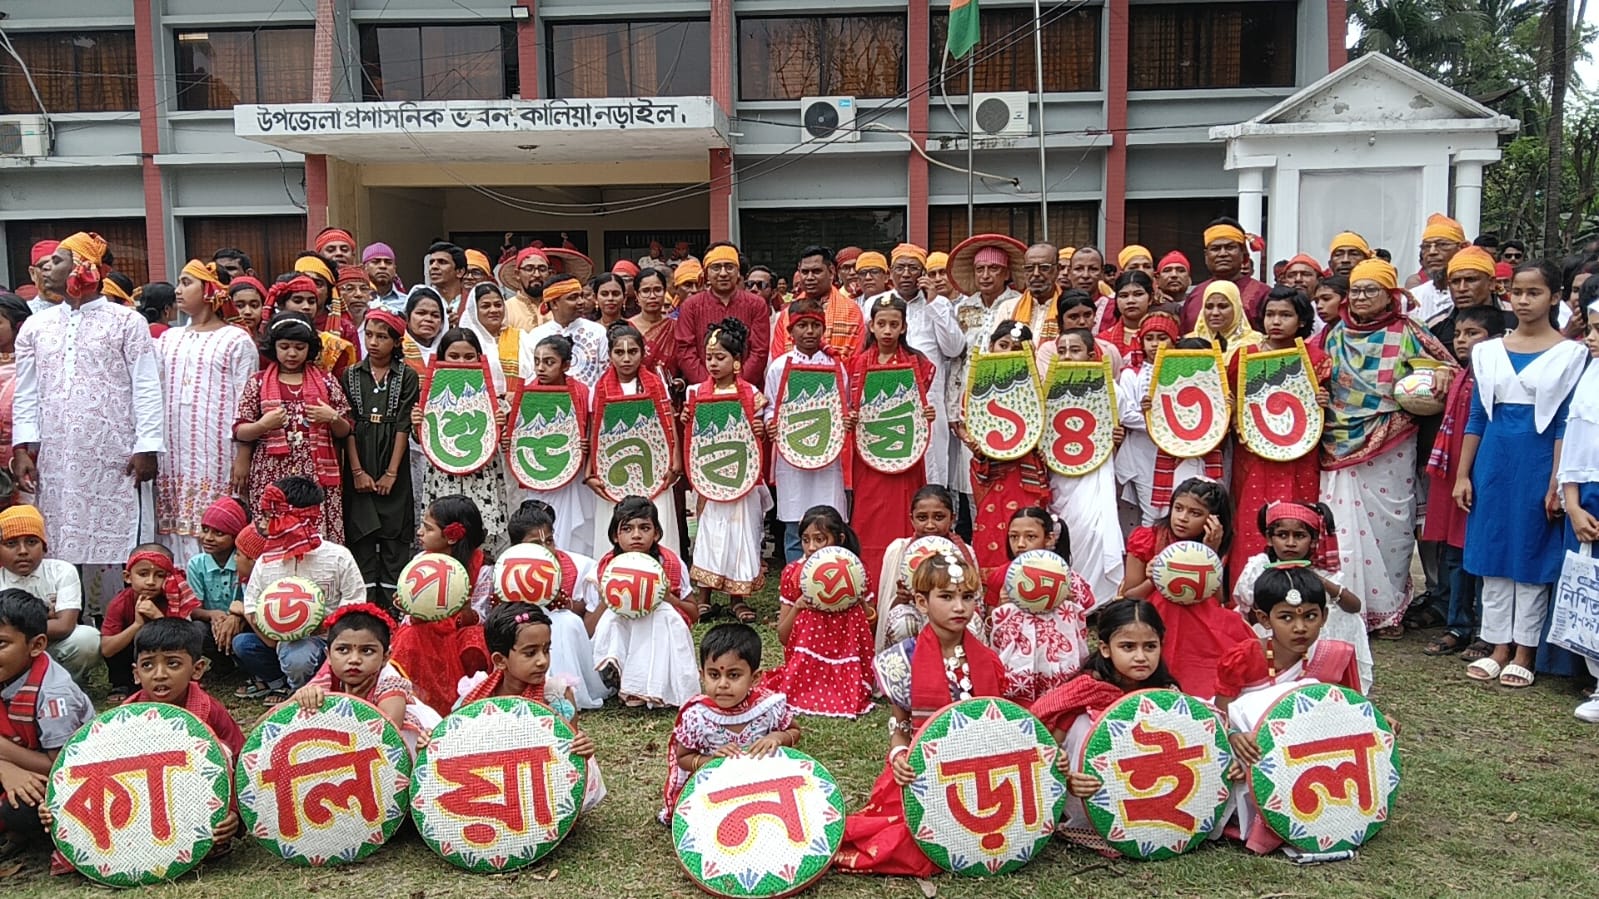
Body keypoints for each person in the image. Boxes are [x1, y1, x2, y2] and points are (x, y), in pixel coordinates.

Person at [12, 232, 164, 610]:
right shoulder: (35, 327)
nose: (48, 267)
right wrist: (22, 446)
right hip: (57, 455)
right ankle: (67, 618)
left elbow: (147, 385)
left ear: (84, 268)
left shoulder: (126, 322)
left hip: (115, 452)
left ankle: (117, 622)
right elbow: (27, 392)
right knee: (61, 533)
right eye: (47, 263)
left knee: (117, 534)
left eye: (59, 260)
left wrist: (147, 446)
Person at [834, 552, 1007, 877]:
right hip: (921, 769)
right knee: (905, 839)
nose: (959, 607)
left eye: (967, 597)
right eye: (946, 597)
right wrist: (899, 755)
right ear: (921, 602)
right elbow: (899, 724)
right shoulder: (900, 661)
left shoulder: (987, 660)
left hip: (981, 770)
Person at [1456, 261, 1586, 689]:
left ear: (1554, 297)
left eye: (1535, 292)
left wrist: (1556, 480)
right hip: (1494, 458)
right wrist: (1463, 474)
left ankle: (1526, 648)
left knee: (1531, 549)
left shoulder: (1572, 354)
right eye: (1517, 291)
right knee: (1493, 549)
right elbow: (1476, 416)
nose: (1524, 300)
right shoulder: (1487, 351)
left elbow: (1566, 422)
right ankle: (1496, 644)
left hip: (1539, 459)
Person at [1321, 258, 1457, 638]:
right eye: (1356, 291)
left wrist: (1435, 380)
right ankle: (1346, 609)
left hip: (1393, 438)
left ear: (1391, 296)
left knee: (1392, 526)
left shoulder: (1409, 330)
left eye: (1371, 290)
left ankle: (1385, 611)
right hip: (1338, 439)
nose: (1361, 298)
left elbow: (1449, 370)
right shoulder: (1333, 334)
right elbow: (1312, 370)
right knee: (1340, 524)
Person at [1216, 565, 1364, 857]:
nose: (1300, 627)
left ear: (1323, 616)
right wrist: (1233, 736)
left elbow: (1350, 715)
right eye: (1286, 617)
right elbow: (1220, 714)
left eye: (1310, 616)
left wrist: (1380, 722)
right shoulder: (1243, 657)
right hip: (1250, 749)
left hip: (1309, 755)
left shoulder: (1334, 657)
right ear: (1263, 619)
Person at [1032, 598, 1178, 856]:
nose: (1141, 657)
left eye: (1150, 646)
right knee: (1083, 725)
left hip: (1151, 798)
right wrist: (1067, 779)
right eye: (1128, 646)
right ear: (1105, 648)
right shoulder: (1083, 693)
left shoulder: (1167, 695)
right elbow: (1046, 753)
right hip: (1087, 798)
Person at [457, 602, 605, 809]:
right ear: (500, 660)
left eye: (546, 650)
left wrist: (581, 748)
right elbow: (455, 744)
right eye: (530, 653)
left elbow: (567, 750)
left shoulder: (557, 695)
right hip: (491, 776)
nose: (542, 661)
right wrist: (431, 742)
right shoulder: (477, 696)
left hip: (542, 779)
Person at [157, 260, 257, 561]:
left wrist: (243, 453)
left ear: (210, 290)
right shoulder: (168, 339)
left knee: (218, 522)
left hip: (218, 452)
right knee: (174, 525)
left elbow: (247, 401)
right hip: (173, 453)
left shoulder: (236, 340)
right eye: (179, 282)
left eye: (187, 282)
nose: (178, 290)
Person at [233, 477, 366, 700]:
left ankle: (303, 691)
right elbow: (252, 604)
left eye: (269, 517)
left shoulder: (337, 556)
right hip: (277, 639)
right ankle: (281, 683)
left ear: (292, 519)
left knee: (299, 657)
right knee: (244, 644)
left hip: (326, 639)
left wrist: (318, 627)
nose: (263, 524)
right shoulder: (267, 560)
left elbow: (354, 600)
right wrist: (271, 636)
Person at [1421, 305, 1504, 660]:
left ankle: (1488, 632)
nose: (1462, 341)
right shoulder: (1457, 376)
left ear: (1496, 339)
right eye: (1458, 334)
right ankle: (1458, 625)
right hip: (1455, 473)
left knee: (1481, 556)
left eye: (1473, 334)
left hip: (1483, 475)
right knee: (1454, 555)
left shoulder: (1498, 376)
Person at [1121, 477, 1251, 699]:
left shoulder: (1214, 542)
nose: (1182, 518)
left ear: (1213, 521)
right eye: (1178, 508)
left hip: (1201, 619)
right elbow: (1129, 595)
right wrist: (1153, 579)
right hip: (1154, 616)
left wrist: (1211, 553)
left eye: (1195, 513)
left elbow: (1217, 599)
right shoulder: (1148, 538)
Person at [1228, 286, 1328, 573]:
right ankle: (1248, 592)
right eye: (1270, 314)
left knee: (1299, 517)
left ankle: (1299, 590)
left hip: (1301, 454)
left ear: (1301, 320)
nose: (1276, 321)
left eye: (1285, 315)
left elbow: (1325, 408)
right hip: (1254, 454)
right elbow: (1232, 401)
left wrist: (1324, 400)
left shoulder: (1317, 359)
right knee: (1251, 519)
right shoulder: (1243, 357)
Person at [660, 622, 799, 821]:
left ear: (755, 678)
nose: (723, 684)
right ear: (702, 675)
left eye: (734, 675)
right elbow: (683, 757)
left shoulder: (768, 707)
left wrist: (778, 737)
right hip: (715, 788)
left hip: (764, 783)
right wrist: (711, 762)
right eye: (714, 675)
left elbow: (794, 731)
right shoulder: (697, 716)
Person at [234, 313, 352, 542]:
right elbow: (240, 430)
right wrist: (263, 425)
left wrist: (332, 417)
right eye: (284, 346)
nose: (291, 353)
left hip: (315, 473)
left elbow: (346, 430)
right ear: (273, 347)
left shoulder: (326, 381)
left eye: (299, 347)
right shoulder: (258, 382)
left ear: (310, 348)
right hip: (270, 470)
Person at [1231, 501, 1371, 691]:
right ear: (1269, 539)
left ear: (1313, 540)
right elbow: (1249, 612)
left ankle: (1324, 671)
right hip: (1270, 633)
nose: (1290, 543)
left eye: (1299, 536)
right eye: (1282, 535)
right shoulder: (1259, 566)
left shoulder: (1321, 569)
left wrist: (1319, 582)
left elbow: (1354, 606)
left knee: (1347, 617)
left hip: (1313, 634)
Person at [847, 295, 939, 585]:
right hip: (868, 454)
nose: (887, 330)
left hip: (905, 452)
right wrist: (850, 417)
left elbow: (916, 405)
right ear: (871, 326)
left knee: (904, 512)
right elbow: (849, 405)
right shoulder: (856, 364)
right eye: (881, 324)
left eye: (894, 324)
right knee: (868, 517)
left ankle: (908, 578)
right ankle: (870, 582)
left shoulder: (918, 363)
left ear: (904, 327)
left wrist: (925, 411)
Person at [687, 318, 772, 623]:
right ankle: (706, 595)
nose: (713, 363)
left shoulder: (753, 395)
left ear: (736, 361)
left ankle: (738, 598)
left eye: (720, 357)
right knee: (710, 533)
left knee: (741, 533)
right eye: (709, 357)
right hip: (710, 474)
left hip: (742, 476)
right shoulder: (695, 393)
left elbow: (756, 435)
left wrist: (760, 428)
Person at [0, 590, 96, 855]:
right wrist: (4, 767)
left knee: (21, 808)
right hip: (15, 762)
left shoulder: (54, 694)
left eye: (1, 644)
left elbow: (61, 767)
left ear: (37, 645)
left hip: (68, 775)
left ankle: (26, 834)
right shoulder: (8, 671)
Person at [487, 499, 608, 709]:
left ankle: (568, 688)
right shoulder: (505, 567)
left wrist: (558, 601)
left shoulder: (573, 565)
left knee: (567, 622)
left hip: (554, 619)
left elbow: (573, 608)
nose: (545, 549)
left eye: (549, 541)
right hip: (518, 621)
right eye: (536, 544)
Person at [961, 321, 1053, 575]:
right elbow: (968, 425)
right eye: (1003, 345)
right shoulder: (976, 385)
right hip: (991, 471)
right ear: (991, 346)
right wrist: (975, 444)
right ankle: (992, 598)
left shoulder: (1037, 387)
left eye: (1017, 347)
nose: (1009, 351)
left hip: (1027, 473)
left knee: (1028, 528)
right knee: (990, 531)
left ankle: (1031, 585)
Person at [391, 494, 495, 715]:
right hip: (424, 631)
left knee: (474, 640)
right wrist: (407, 606)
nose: (420, 533)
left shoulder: (482, 568)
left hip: (458, 633)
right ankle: (410, 700)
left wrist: (465, 612)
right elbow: (410, 615)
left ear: (452, 536)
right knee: (410, 636)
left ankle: (468, 697)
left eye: (428, 529)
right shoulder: (419, 562)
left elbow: (483, 615)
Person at [590, 496, 698, 708]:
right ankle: (617, 679)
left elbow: (694, 614)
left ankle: (657, 687)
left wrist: (670, 598)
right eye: (627, 529)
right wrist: (605, 601)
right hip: (623, 631)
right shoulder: (605, 568)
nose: (636, 535)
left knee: (663, 613)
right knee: (613, 615)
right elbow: (590, 627)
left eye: (644, 528)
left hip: (659, 628)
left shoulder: (670, 564)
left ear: (656, 532)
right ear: (615, 535)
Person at [342, 309, 419, 606]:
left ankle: (394, 609)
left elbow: (403, 423)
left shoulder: (407, 375)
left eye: (382, 337)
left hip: (392, 461)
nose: (374, 342)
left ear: (396, 341)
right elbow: (347, 423)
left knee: (394, 535)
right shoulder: (350, 374)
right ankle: (364, 607)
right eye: (369, 335)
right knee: (361, 535)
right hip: (359, 455)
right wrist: (357, 471)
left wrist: (391, 472)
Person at [769, 506, 875, 718]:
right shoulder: (793, 573)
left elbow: (871, 624)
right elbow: (783, 636)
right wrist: (798, 607)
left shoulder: (855, 572)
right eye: (806, 540)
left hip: (849, 658)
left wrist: (859, 600)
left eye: (820, 539)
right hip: (806, 664)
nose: (811, 547)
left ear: (840, 539)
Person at [585, 323, 682, 556]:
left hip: (655, 470)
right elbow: (594, 433)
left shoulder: (657, 385)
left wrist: (676, 462)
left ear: (642, 353)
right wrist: (590, 472)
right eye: (619, 352)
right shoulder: (598, 389)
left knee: (657, 522)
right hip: (612, 474)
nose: (626, 358)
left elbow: (668, 426)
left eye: (632, 352)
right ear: (609, 355)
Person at [411, 329, 511, 555]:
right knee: (443, 530)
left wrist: (500, 424)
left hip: (482, 474)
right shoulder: (430, 394)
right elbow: (424, 439)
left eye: (468, 356)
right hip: (443, 473)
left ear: (479, 357)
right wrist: (417, 424)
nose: (461, 362)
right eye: (453, 356)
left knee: (482, 536)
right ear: (442, 357)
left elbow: (502, 441)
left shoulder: (494, 395)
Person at [765, 298, 850, 562]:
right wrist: (772, 424)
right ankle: (795, 578)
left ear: (823, 329)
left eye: (815, 325)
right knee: (794, 524)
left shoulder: (835, 366)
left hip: (827, 455)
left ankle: (831, 571)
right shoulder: (779, 367)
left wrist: (846, 421)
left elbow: (843, 405)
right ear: (790, 332)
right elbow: (770, 407)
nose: (810, 331)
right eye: (803, 326)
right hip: (792, 457)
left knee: (829, 519)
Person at [295, 604, 440, 758]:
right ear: (328, 655)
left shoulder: (390, 682)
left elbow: (385, 737)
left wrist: (358, 704)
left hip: (398, 751)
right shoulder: (329, 673)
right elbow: (271, 717)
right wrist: (304, 696)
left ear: (385, 657)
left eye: (367, 651)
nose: (354, 660)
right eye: (343, 649)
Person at [1044, 327, 1126, 601]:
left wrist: (1118, 438)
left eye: (1074, 350)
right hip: (1058, 475)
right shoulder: (1046, 388)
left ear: (1091, 355)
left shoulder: (1112, 390)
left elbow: (1118, 429)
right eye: (1062, 350)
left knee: (1095, 530)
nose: (1067, 356)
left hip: (1094, 475)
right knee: (1063, 530)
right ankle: (1067, 596)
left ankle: (1096, 601)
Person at [988, 507, 1096, 704]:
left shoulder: (1066, 578)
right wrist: (1001, 606)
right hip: (1016, 664)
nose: (1020, 544)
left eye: (1030, 537)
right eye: (1013, 537)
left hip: (1058, 660)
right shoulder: (1001, 576)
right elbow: (991, 623)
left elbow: (1085, 608)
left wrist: (1068, 602)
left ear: (1049, 539)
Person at [0, 506, 98, 684]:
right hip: (9, 651)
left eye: (31, 542)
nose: (22, 551)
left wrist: (15, 628)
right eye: (11, 543)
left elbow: (64, 626)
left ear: (44, 547)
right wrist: (47, 616)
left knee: (87, 639)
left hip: (52, 646)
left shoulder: (62, 571)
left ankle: (66, 685)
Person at [874, 485, 980, 649]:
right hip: (914, 616)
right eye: (922, 518)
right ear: (912, 519)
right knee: (903, 622)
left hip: (953, 612)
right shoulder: (898, 550)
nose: (930, 525)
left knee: (973, 625)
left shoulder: (964, 552)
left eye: (939, 517)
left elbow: (975, 598)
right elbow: (886, 606)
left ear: (952, 518)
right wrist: (901, 599)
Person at [1559, 297, 1599, 721]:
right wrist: (1571, 502)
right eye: (1589, 328)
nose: (1590, 338)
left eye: (1598, 330)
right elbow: (1576, 444)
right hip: (1587, 494)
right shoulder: (1590, 378)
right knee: (1590, 587)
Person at [124, 616, 245, 756]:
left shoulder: (210, 710)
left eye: (173, 663)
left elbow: (240, 756)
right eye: (147, 665)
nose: (159, 675)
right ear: (137, 674)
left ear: (197, 669)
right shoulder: (127, 717)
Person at [98, 543, 202, 703]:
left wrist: (158, 617)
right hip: (129, 653)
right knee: (123, 641)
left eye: (160, 575)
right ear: (127, 576)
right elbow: (107, 649)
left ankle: (177, 680)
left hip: (164, 652)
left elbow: (182, 641)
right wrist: (137, 625)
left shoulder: (173, 598)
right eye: (143, 574)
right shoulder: (120, 603)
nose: (151, 581)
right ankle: (122, 683)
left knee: (196, 630)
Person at [1115, 313, 1181, 525]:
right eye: (1149, 338)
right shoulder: (1131, 374)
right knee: (1152, 513)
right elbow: (1126, 415)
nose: (1155, 344)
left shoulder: (1184, 372)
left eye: (1162, 338)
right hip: (1143, 452)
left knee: (1178, 509)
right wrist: (1166, 425)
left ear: (1174, 341)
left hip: (1179, 450)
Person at [673, 244, 770, 387]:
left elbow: (759, 351)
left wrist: (737, 386)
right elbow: (685, 352)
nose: (723, 273)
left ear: (738, 272)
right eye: (716, 267)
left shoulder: (756, 304)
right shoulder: (690, 306)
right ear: (706, 273)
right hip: (703, 391)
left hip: (748, 390)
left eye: (729, 267)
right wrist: (710, 386)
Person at [185, 496, 250, 660]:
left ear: (236, 536)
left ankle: (246, 663)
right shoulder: (197, 564)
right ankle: (222, 663)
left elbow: (255, 602)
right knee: (196, 630)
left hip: (245, 622)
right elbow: (192, 609)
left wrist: (236, 617)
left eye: (219, 533)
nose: (208, 538)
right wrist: (212, 615)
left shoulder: (245, 561)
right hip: (213, 626)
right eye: (205, 529)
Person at [771, 246, 865, 358]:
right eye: (805, 272)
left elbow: (856, 358)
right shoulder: (786, 314)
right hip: (793, 374)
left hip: (840, 374)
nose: (810, 277)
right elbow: (779, 358)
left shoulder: (851, 311)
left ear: (831, 272)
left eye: (816, 271)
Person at [1184, 218, 1269, 331]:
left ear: (1243, 253)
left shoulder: (1264, 294)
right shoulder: (1195, 295)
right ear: (1206, 255)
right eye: (1215, 249)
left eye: (1230, 247)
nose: (1223, 254)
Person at [524, 276, 608, 388]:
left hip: (590, 403)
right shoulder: (536, 336)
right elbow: (530, 378)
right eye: (573, 298)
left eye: (581, 296)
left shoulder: (598, 331)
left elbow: (605, 375)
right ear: (554, 304)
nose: (581, 302)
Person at [1188, 279, 1264, 366]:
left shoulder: (1256, 343)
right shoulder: (1188, 343)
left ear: (1236, 308)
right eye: (1209, 307)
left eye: (1223, 306)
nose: (1215, 313)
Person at [1411, 213, 1467, 322]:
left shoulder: (1471, 295)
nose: (1432, 252)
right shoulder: (1412, 299)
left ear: (1462, 248)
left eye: (1442, 245)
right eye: (1426, 246)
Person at [630, 268, 678, 390]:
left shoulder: (675, 326)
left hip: (670, 397)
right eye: (646, 291)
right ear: (637, 295)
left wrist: (681, 382)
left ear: (665, 292)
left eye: (657, 290)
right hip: (635, 395)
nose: (652, 296)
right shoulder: (627, 328)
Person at [1098, 270, 1157, 360]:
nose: (1130, 301)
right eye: (1124, 295)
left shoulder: (1162, 336)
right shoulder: (1102, 341)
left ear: (1151, 298)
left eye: (1138, 294)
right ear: (1116, 300)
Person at [505, 247, 551, 331]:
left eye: (542, 269)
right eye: (529, 269)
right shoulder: (506, 309)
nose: (537, 275)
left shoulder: (558, 306)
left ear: (549, 274)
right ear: (517, 274)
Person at [424, 242, 468, 324]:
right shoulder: (421, 301)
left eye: (442, 262)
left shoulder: (473, 302)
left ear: (460, 272)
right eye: (431, 262)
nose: (434, 266)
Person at [363, 243, 405, 314]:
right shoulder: (358, 300)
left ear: (394, 269)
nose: (383, 266)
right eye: (375, 262)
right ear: (364, 268)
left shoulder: (407, 302)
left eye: (388, 262)